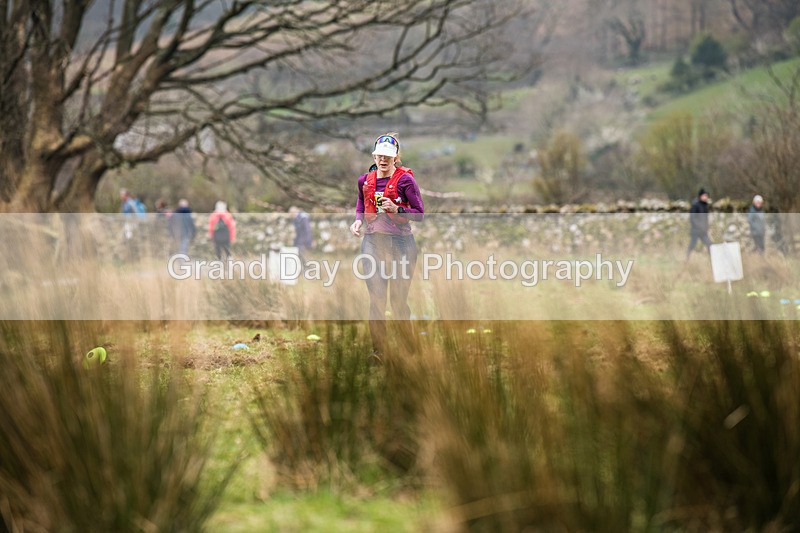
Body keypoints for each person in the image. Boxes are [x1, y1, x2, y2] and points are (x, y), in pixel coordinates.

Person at [349, 133, 424, 358]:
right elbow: (362, 201)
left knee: (398, 301)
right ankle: (378, 351)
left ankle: (409, 349)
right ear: (374, 155)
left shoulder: (405, 181)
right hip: (373, 242)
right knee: (377, 299)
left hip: (401, 243)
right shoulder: (365, 180)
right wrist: (358, 220)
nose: (383, 160)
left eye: (388, 157)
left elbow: (419, 214)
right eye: (380, 155)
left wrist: (398, 209)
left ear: (396, 158)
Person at [685, 187, 712, 260]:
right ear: (700, 196)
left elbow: (705, 219)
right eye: (704, 196)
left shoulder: (705, 206)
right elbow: (692, 218)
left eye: (707, 196)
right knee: (692, 245)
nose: (706, 197)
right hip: (696, 230)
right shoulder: (695, 205)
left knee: (710, 245)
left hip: (703, 231)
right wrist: (699, 226)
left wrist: (706, 227)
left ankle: (712, 260)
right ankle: (687, 258)